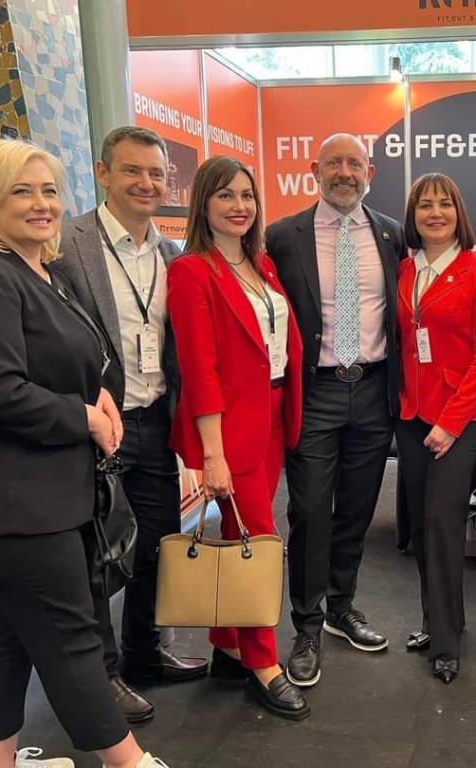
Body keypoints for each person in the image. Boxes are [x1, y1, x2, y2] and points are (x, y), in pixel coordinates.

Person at [0, 126, 208, 724]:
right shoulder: (64, 242)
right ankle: (105, 677)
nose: (146, 183)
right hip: (65, 444)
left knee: (147, 546)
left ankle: (144, 650)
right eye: (132, 171)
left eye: (156, 174)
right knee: (86, 573)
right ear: (103, 175)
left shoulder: (171, 254)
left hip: (145, 418)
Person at [167, 156, 310, 720]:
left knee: (239, 532)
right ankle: (262, 661)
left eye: (247, 195)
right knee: (261, 540)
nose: (239, 206)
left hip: (271, 414)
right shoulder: (191, 272)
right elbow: (199, 369)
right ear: (203, 203)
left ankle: (227, 644)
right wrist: (213, 454)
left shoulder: (262, 264)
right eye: (225, 195)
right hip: (227, 427)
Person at [266, 133, 407, 687]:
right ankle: (306, 624)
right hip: (316, 391)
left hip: (373, 391)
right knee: (308, 510)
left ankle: (341, 607)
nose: (344, 172)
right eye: (334, 163)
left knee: (356, 507)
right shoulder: (282, 236)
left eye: (354, 163)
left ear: (369, 171)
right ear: (315, 170)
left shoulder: (391, 233)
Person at [396, 173, 476, 684]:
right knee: (420, 527)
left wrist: (450, 423)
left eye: (444, 204)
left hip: (460, 420)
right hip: (411, 415)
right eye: (425, 205)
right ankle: (439, 619)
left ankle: (445, 644)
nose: (435, 213)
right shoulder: (406, 270)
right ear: (413, 216)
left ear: (459, 212)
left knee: (443, 525)